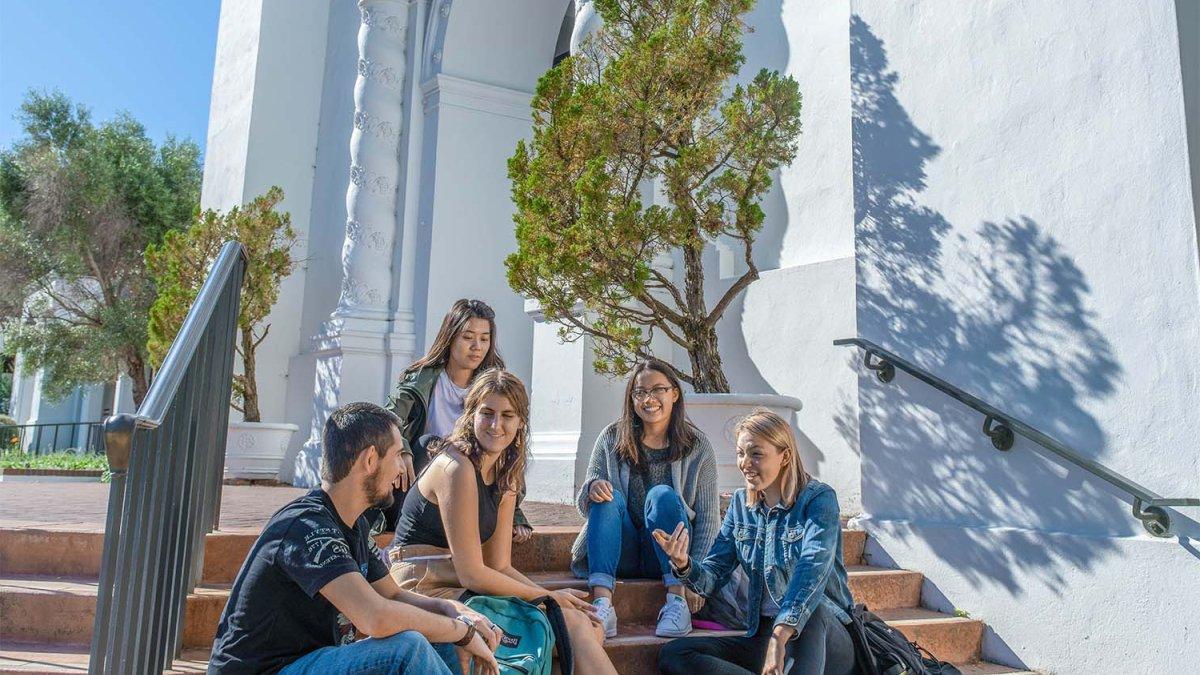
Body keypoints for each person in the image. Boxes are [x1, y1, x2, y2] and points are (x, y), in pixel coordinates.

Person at [208, 402, 501, 675]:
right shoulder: (306, 526)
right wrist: (461, 631)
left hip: (309, 662)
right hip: (266, 671)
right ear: (371, 459)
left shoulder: (353, 524)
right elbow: (375, 617)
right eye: (398, 455)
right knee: (406, 649)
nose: (402, 469)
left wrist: (455, 612)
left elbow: (394, 595)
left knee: (437, 636)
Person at [390, 369, 617, 674]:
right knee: (570, 623)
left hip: (460, 582)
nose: (496, 425)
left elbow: (499, 565)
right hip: (425, 583)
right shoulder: (456, 467)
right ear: (471, 415)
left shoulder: (506, 470)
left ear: (521, 421)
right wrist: (549, 596)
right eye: (487, 413)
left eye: (508, 415)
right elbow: (472, 573)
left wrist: (553, 600)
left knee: (584, 624)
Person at [654, 409, 857, 675]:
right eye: (741, 453)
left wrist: (780, 637)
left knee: (813, 612)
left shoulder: (817, 500)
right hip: (765, 634)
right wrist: (684, 565)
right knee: (676, 654)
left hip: (824, 637)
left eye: (756, 454)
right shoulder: (741, 505)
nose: (745, 463)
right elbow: (713, 576)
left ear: (784, 456)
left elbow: (811, 572)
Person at [571, 359, 719, 639]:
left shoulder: (698, 446)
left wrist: (694, 578)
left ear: (674, 393)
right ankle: (602, 605)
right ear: (632, 398)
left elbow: (709, 519)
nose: (649, 399)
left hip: (667, 556)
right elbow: (584, 505)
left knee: (662, 496)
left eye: (658, 390)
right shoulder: (612, 437)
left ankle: (676, 601)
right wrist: (592, 489)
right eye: (640, 392)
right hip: (619, 550)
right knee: (607, 494)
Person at [376, 298, 534, 544]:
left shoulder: (491, 387)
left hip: (473, 483)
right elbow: (387, 420)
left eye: (484, 338)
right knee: (430, 443)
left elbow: (509, 445)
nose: (476, 347)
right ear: (450, 337)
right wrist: (403, 450)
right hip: (421, 482)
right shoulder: (420, 379)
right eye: (468, 337)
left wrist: (513, 513)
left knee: (498, 437)